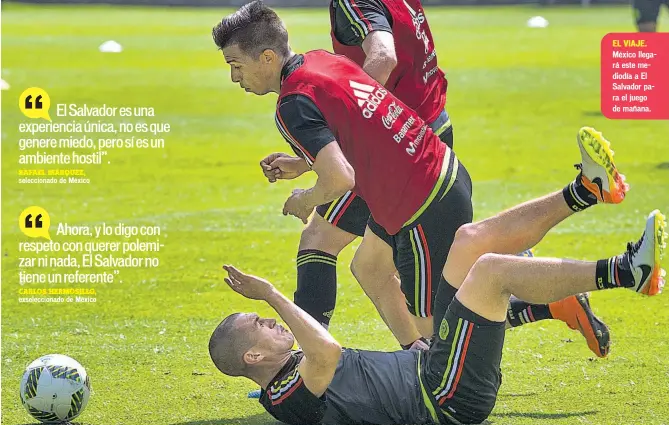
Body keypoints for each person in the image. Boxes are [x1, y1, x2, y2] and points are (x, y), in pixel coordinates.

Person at [211, 1, 611, 358]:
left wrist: (305, 197)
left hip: (418, 193)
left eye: (235, 65)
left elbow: (342, 174)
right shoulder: (318, 60)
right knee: (372, 266)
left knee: (448, 334)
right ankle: (580, 197)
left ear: (266, 58)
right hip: (430, 154)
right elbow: (354, 117)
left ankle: (562, 288)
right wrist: (311, 158)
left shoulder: (294, 100)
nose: (234, 79)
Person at [209, 134, 666, 425]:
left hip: (435, 364)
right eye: (261, 325)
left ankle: (585, 191)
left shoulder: (285, 378)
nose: (272, 323)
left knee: (470, 241)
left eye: (264, 318)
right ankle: (628, 271)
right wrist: (268, 294)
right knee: (490, 271)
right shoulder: (284, 395)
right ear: (253, 355)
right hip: (446, 394)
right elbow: (326, 352)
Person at [261, 0, 453, 350]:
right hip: (427, 129)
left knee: (320, 240)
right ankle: (419, 359)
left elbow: (383, 57)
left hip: (399, 150)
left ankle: (311, 367)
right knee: (373, 268)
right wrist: (310, 159)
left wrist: (313, 176)